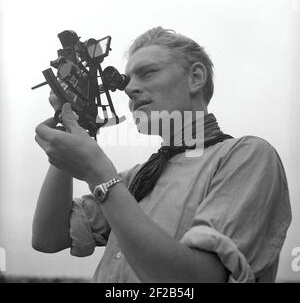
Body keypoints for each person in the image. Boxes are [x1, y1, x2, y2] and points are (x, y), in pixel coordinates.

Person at [33, 27, 291, 283]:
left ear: (195, 78)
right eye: (127, 80)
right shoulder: (137, 178)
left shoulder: (246, 156)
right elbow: (49, 237)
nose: (130, 88)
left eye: (148, 73)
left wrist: (99, 175)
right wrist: (72, 127)